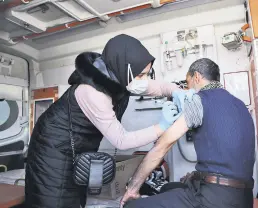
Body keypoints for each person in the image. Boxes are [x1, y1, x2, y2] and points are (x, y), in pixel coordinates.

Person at [25, 34, 193, 208]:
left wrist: (178, 92)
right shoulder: (93, 93)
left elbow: (158, 87)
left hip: (76, 145)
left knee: (76, 194)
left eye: (146, 74)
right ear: (124, 68)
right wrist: (162, 126)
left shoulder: (121, 76)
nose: (144, 80)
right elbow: (122, 140)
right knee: (54, 197)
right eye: (141, 75)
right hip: (52, 147)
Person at [121, 58, 256, 208]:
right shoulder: (241, 105)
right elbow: (228, 160)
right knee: (168, 188)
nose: (186, 89)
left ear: (196, 77)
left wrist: (132, 188)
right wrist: (195, 176)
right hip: (244, 198)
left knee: (132, 207)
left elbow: (161, 146)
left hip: (214, 199)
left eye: (187, 83)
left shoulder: (199, 100)